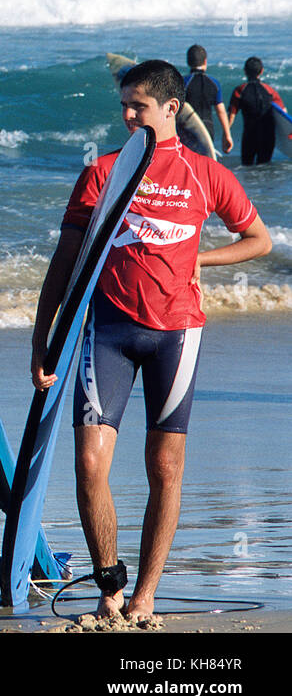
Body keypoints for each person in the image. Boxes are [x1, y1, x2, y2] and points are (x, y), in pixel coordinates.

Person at [30, 60, 270, 622]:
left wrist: (200, 258)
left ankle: (144, 596)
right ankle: (110, 584)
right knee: (89, 464)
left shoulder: (205, 175)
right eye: (124, 105)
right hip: (108, 330)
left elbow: (257, 238)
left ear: (171, 109)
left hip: (178, 334)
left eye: (138, 105)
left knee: (164, 466)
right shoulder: (103, 173)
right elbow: (65, 261)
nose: (127, 114)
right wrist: (44, 334)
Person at [227, 57, 287, 166]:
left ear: (245, 71)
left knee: (247, 166)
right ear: (262, 71)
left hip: (250, 136)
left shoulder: (240, 90)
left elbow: (232, 115)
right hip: (268, 136)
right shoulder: (270, 91)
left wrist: (226, 135)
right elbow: (283, 113)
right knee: (263, 167)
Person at [182, 45, 233, 154]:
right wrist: (227, 135)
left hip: (188, 129)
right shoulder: (214, 83)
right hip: (207, 129)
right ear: (205, 61)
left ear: (188, 61)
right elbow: (221, 111)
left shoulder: (183, 83)